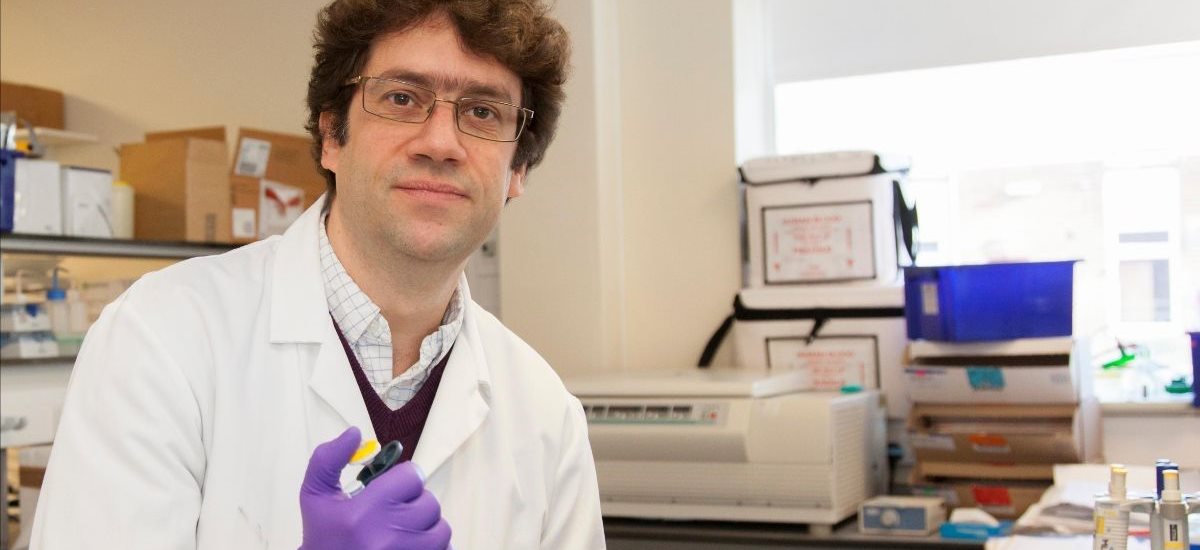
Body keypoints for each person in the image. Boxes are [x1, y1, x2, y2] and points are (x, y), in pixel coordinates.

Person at [31, 0, 605, 548]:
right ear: (332, 136)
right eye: (402, 97)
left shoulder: (545, 415)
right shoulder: (162, 339)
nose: (440, 142)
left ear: (518, 169)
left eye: (482, 112)